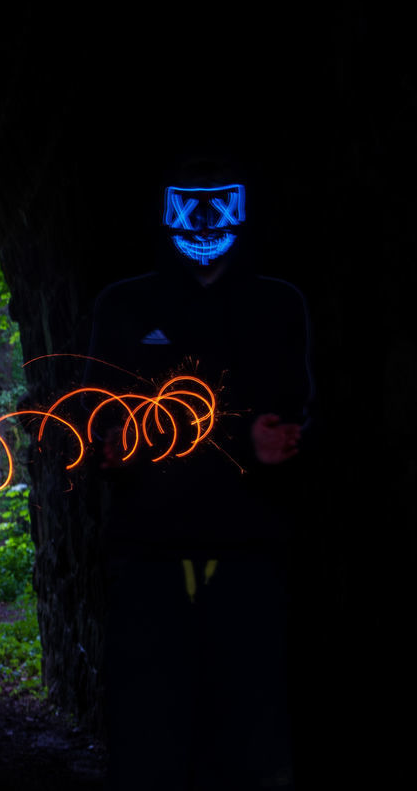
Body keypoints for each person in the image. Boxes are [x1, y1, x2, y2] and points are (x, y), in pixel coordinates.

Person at [84, 169, 313, 789]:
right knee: (148, 737)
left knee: (252, 738)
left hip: (250, 555)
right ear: (165, 215)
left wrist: (284, 442)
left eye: (221, 211)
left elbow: (305, 415)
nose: (206, 228)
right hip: (148, 556)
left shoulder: (277, 306)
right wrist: (111, 445)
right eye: (191, 212)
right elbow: (93, 415)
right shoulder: (124, 306)